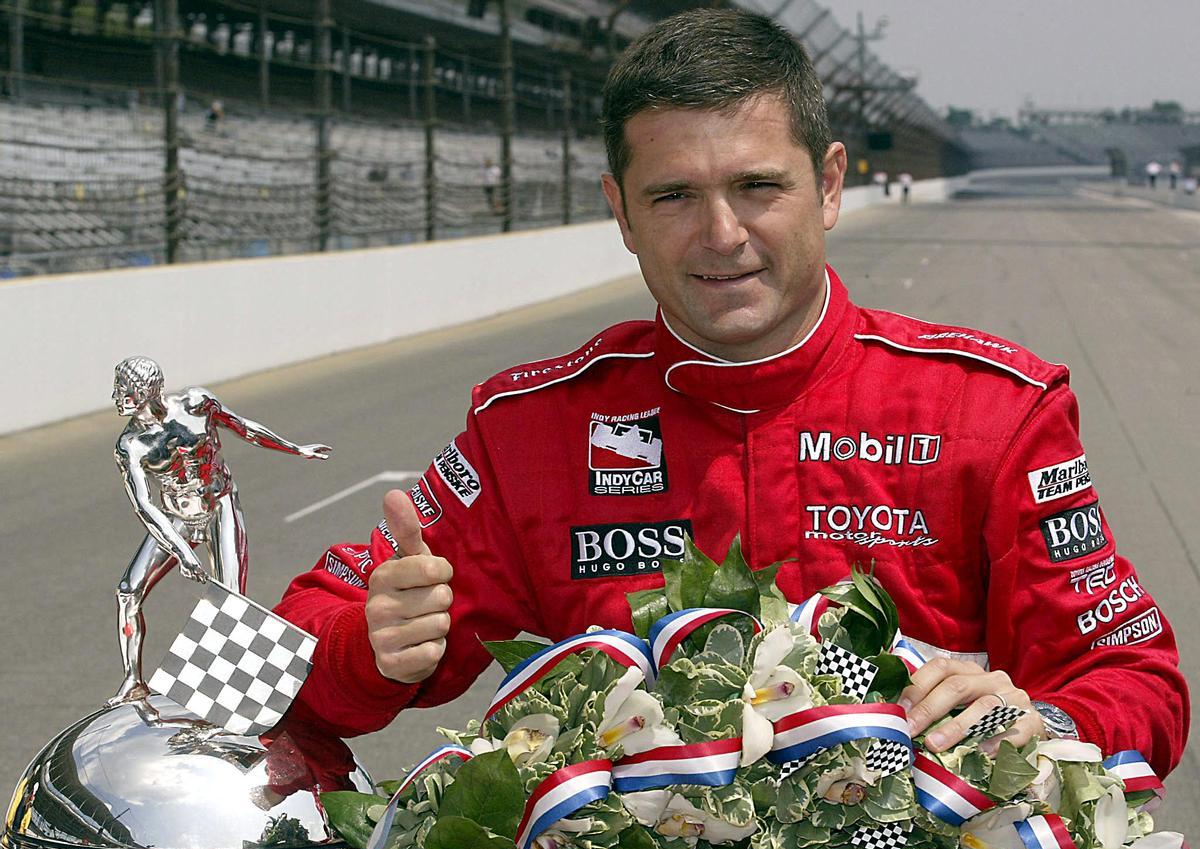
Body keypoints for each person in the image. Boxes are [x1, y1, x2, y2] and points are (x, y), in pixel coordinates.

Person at [276, 9, 1187, 776]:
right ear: (620, 212)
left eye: (757, 186)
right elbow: (298, 637)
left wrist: (1043, 723)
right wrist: (371, 644)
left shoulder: (991, 410)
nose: (721, 234)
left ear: (828, 185)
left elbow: (1134, 679)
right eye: (673, 196)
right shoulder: (530, 429)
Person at [111, 356, 331, 705]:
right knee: (128, 592)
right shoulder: (131, 445)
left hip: (219, 504)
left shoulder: (195, 403)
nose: (116, 398)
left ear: (146, 390)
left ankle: (236, 688)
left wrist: (295, 449)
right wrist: (183, 552)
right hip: (176, 517)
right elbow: (144, 505)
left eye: (124, 390)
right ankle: (133, 680)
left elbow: (243, 428)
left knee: (231, 600)